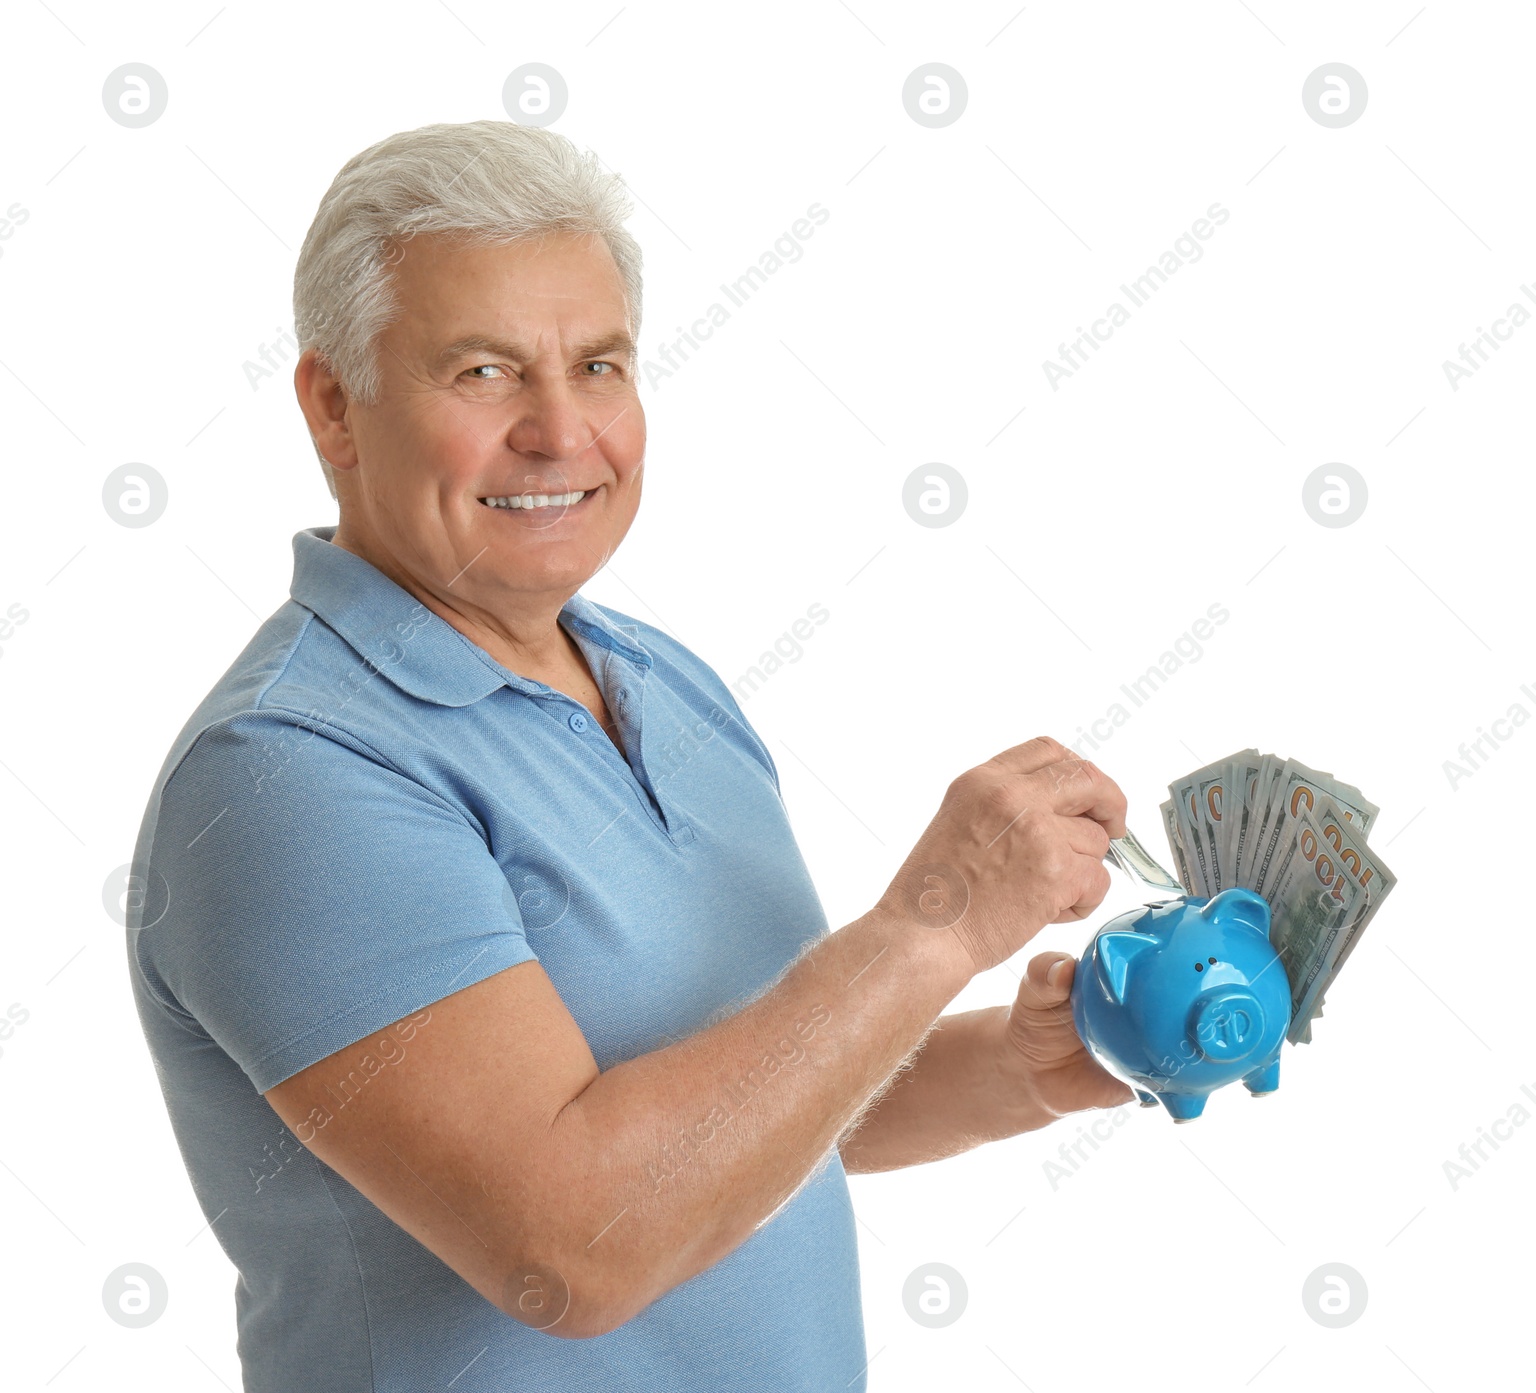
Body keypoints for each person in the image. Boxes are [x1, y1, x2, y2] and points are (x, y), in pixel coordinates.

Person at [124, 119, 1134, 1392]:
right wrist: (932, 927)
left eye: (598, 364)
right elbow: (574, 1247)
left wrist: (1018, 1069)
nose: (559, 432)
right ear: (335, 403)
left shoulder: (659, 681)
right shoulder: (289, 773)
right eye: (484, 372)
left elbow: (754, 1104)